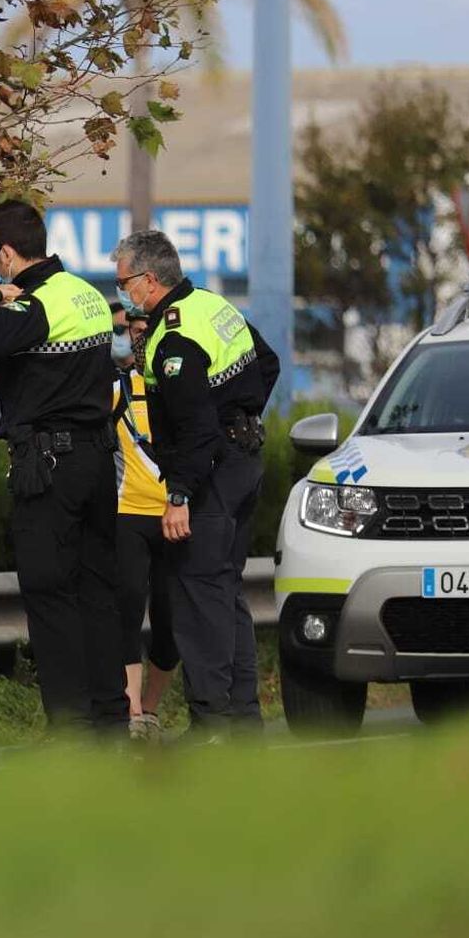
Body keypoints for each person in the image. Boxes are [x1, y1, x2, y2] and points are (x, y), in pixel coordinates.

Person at [0, 199, 126, 733]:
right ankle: (109, 717)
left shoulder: (33, 305)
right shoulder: (88, 295)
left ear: (8, 253)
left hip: (48, 466)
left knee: (50, 591)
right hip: (97, 461)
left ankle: (71, 728)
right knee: (98, 591)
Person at [115, 229, 280, 737]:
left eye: (124, 282)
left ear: (147, 280)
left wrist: (180, 495)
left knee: (197, 600)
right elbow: (267, 364)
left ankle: (211, 725)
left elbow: (195, 428)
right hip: (245, 461)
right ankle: (243, 720)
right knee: (226, 596)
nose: (123, 293)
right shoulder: (214, 306)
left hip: (210, 475)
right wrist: (242, 419)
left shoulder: (173, 338)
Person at [109, 300, 180, 740]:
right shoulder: (116, 389)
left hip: (174, 515)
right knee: (128, 611)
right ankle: (133, 711)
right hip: (127, 516)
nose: (137, 339)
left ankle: (151, 707)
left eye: (143, 332)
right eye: (132, 333)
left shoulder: (178, 386)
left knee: (171, 618)